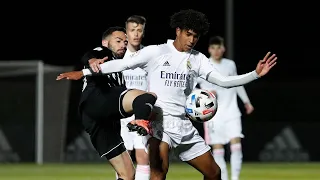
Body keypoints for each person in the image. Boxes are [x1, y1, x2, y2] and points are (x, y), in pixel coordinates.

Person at [57, 9, 277, 180]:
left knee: (214, 173)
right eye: (188, 34)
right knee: (158, 174)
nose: (192, 40)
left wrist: (255, 74)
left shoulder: (198, 58)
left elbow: (223, 81)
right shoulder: (157, 51)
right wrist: (84, 71)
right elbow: (122, 65)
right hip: (160, 125)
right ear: (178, 31)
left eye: (196, 36)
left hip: (185, 125)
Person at [75, 26, 157, 180]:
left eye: (125, 42)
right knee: (147, 97)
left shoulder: (119, 67)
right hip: (96, 103)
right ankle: (140, 120)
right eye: (118, 41)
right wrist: (91, 60)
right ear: (105, 43)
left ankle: (140, 119)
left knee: (128, 175)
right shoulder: (104, 54)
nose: (123, 45)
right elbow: (90, 55)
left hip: (102, 122)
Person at [197, 36, 254, 180]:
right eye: (213, 48)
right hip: (212, 114)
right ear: (209, 49)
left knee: (236, 144)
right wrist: (205, 94)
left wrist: (246, 102)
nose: (216, 51)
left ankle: (235, 178)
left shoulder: (230, 65)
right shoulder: (203, 65)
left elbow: (238, 83)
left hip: (232, 111)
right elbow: (192, 88)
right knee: (218, 149)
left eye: (219, 48)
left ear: (223, 49)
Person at [121, 15, 150, 180]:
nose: (136, 34)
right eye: (132, 30)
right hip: (121, 115)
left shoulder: (149, 56)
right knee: (123, 160)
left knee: (143, 157)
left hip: (141, 116)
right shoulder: (118, 57)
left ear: (143, 32)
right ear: (126, 33)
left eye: (139, 30)